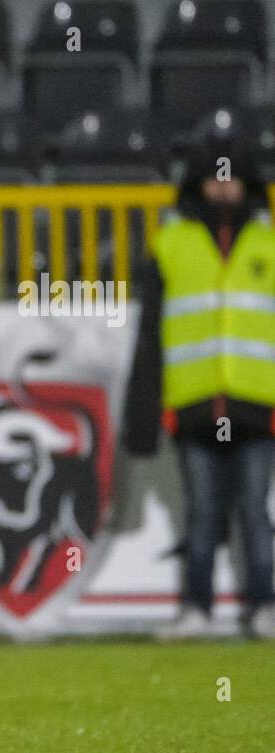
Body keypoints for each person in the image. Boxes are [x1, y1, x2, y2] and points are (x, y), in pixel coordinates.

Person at [124, 136, 275, 640]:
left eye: (233, 176)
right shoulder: (171, 243)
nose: (225, 185)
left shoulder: (270, 241)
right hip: (193, 404)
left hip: (258, 404)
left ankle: (264, 606)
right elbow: (150, 336)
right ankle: (197, 608)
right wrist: (146, 414)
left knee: (255, 512)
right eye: (216, 175)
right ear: (198, 181)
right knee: (203, 513)